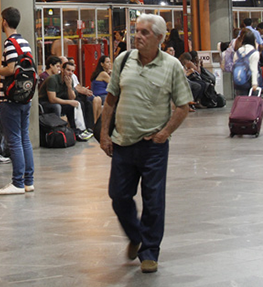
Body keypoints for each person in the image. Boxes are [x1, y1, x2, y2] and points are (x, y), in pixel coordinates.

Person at [99, 14, 191, 274]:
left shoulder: (172, 66)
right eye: (136, 31)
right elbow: (110, 101)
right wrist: (105, 134)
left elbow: (183, 106)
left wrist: (165, 133)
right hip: (123, 142)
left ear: (160, 38)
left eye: (145, 32)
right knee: (118, 195)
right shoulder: (123, 60)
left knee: (153, 200)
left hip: (153, 146)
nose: (137, 36)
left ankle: (149, 252)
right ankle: (135, 234)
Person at [0, 7, 35, 196]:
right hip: (25, 96)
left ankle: (17, 182)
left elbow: (11, 69)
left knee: (14, 139)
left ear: (5, 21)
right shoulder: (24, 42)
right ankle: (28, 181)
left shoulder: (9, 43)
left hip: (10, 98)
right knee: (24, 138)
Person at [40, 60, 91, 141]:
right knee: (57, 106)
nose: (70, 73)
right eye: (68, 70)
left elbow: (72, 98)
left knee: (74, 105)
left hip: (58, 101)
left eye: (72, 71)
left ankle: (77, 131)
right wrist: (69, 102)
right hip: (44, 103)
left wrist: (69, 87)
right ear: (62, 69)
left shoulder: (70, 80)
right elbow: (52, 99)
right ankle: (55, 132)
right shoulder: (53, 79)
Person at [232, 28, 260, 97]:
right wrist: (254, 84)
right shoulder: (254, 53)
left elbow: (234, 64)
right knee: (251, 103)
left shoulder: (238, 51)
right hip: (249, 81)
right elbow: (254, 70)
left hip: (239, 81)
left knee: (241, 101)